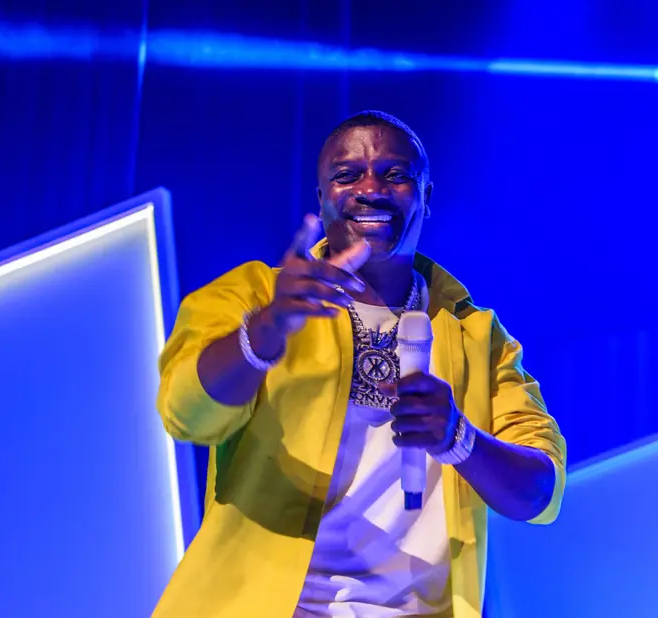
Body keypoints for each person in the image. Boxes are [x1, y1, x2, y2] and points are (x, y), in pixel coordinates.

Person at [153, 110, 566, 617]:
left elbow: (539, 495)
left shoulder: (478, 336)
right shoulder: (255, 295)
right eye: (347, 176)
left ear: (426, 198)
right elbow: (184, 413)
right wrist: (268, 328)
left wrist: (458, 438)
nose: (371, 190)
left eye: (396, 175)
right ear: (321, 196)